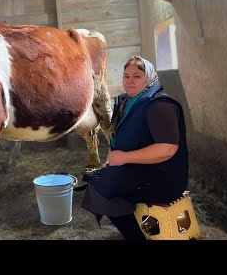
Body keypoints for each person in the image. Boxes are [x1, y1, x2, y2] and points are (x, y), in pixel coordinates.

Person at [79, 55, 189, 240]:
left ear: (148, 77)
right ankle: (138, 226)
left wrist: (123, 158)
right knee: (98, 179)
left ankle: (135, 236)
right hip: (143, 170)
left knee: (100, 186)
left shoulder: (159, 105)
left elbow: (167, 148)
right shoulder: (127, 102)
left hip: (164, 177)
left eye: (137, 76)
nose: (130, 81)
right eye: (126, 76)